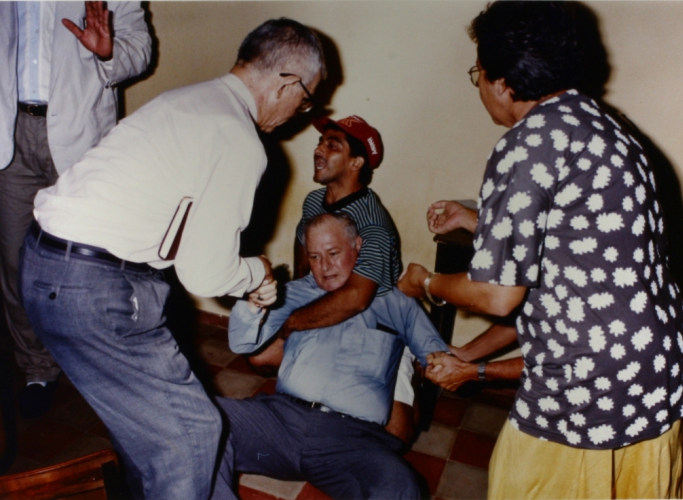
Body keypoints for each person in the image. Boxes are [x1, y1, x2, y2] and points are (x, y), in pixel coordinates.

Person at [18, 18, 325, 499]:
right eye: (305, 99)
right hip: (94, 288)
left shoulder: (188, 99)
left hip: (43, 264)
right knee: (190, 437)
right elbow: (203, 273)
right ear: (287, 82)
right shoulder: (240, 139)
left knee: (175, 430)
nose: (300, 112)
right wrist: (255, 272)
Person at [400, 2, 683, 498]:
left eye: (478, 72)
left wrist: (425, 282)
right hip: (658, 365)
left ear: (502, 82)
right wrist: (475, 221)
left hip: (592, 381)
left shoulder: (525, 143)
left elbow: (497, 295)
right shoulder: (603, 124)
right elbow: (575, 248)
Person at [213, 213, 449, 500]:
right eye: (314, 257)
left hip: (353, 440)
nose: (324, 267)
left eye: (333, 253)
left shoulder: (398, 304)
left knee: (401, 487)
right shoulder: (294, 293)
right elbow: (243, 342)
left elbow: (438, 357)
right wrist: (253, 302)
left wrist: (445, 364)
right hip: (280, 423)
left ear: (358, 245)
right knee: (198, 419)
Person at [0, 1, 151, 419]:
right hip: (9, 136)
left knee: (91, 268)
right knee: (16, 265)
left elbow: (141, 48)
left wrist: (107, 52)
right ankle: (36, 368)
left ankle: (98, 366)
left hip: (80, 135)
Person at [249, 115, 416, 442]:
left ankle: (405, 369)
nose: (318, 150)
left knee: (395, 436)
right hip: (327, 308)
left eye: (332, 145)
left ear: (356, 162)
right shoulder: (314, 201)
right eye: (320, 143)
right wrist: (290, 314)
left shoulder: (373, 225)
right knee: (259, 356)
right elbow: (303, 267)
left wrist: (292, 324)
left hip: (375, 323)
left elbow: (356, 299)